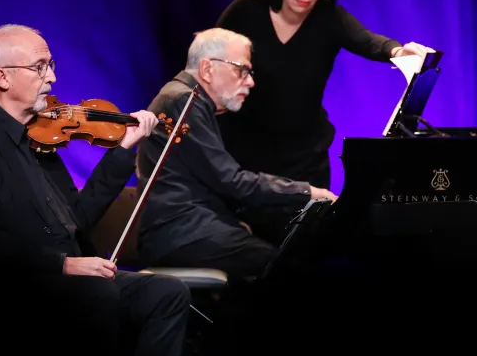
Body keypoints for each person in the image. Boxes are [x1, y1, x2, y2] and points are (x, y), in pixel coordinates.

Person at [0, 24, 192, 356]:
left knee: (167, 293)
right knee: (97, 296)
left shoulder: (40, 140)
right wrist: (62, 264)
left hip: (66, 276)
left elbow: (78, 217)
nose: (52, 77)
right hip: (15, 284)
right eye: (40, 67)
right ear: (3, 77)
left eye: (51, 64)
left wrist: (123, 151)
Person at [215, 0, 433, 194]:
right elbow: (205, 63)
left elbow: (368, 41)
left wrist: (399, 51)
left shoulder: (329, 18)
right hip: (243, 160)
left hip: (305, 163)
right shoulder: (246, 9)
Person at [135, 27, 338, 281]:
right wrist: (308, 192)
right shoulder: (183, 101)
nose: (251, 81)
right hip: (179, 235)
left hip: (185, 231)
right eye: (241, 69)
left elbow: (210, 183)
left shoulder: (189, 101)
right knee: (286, 269)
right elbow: (231, 181)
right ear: (207, 69)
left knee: (283, 259)